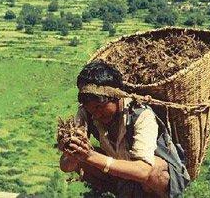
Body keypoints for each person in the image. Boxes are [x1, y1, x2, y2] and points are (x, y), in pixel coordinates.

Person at [58, 61, 190, 198]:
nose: (96, 114)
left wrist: (91, 156)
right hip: (124, 174)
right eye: (92, 109)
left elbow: (144, 171)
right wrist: (71, 153)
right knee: (82, 157)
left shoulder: (141, 115)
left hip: (158, 183)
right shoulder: (87, 111)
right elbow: (65, 166)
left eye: (99, 107)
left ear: (115, 97)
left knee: (153, 169)